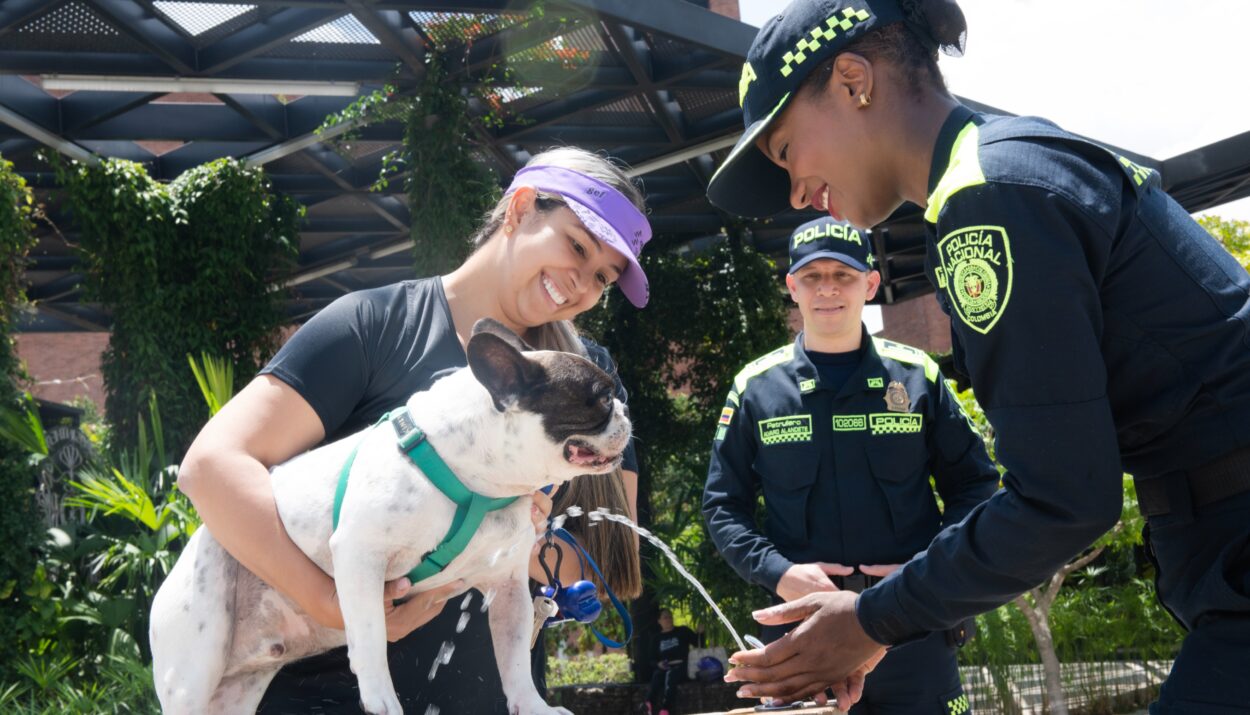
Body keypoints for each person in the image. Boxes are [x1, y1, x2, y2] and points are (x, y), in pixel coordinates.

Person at [705, 0, 1250, 712]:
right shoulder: (1007, 164)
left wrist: (872, 620)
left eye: (785, 150)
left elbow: (1060, 497)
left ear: (851, 81)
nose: (798, 192)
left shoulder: (987, 198)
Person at [177, 147, 650, 713]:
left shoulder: (586, 386)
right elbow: (210, 469)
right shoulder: (373, 326)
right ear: (521, 208)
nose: (581, 285)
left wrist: (521, 531)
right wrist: (332, 602)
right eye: (577, 246)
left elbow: (605, 568)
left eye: (603, 277)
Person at [703, 216, 997, 713]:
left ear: (871, 283)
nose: (828, 289)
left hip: (912, 625)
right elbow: (722, 507)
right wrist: (780, 573)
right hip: (802, 636)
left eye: (842, 275)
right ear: (792, 287)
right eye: (813, 276)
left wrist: (927, 569)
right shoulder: (756, 388)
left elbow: (976, 485)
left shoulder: (917, 375)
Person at [645, 609, 699, 715]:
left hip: (682, 667)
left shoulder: (683, 631)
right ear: (659, 621)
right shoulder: (656, 638)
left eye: (670, 616)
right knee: (657, 675)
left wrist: (701, 633)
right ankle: (649, 703)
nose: (668, 619)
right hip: (665, 667)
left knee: (671, 675)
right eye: (665, 617)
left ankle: (666, 708)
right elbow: (651, 660)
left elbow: (698, 643)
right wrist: (658, 664)